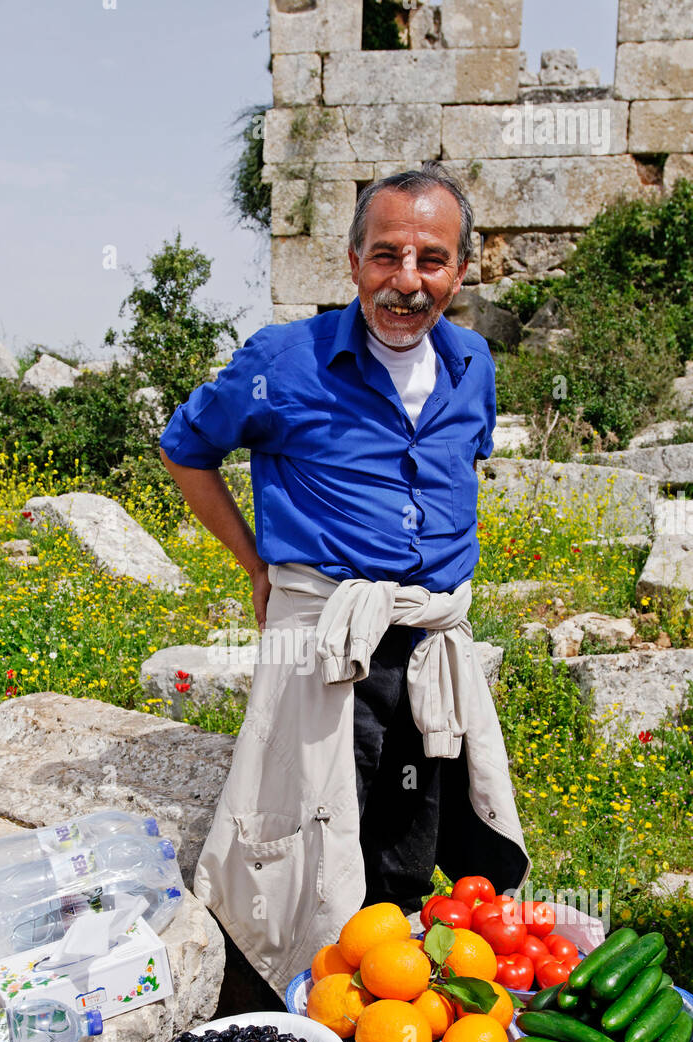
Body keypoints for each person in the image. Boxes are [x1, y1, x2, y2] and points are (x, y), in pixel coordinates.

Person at [159, 163, 530, 998]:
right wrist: (256, 564)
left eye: (430, 260)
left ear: (459, 271)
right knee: (296, 834)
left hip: (428, 638)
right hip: (324, 633)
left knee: (410, 827)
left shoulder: (471, 362)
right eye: (385, 255)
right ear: (352, 259)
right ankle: (284, 1003)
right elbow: (186, 450)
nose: (406, 282)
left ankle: (386, 1000)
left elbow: (454, 468)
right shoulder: (282, 361)